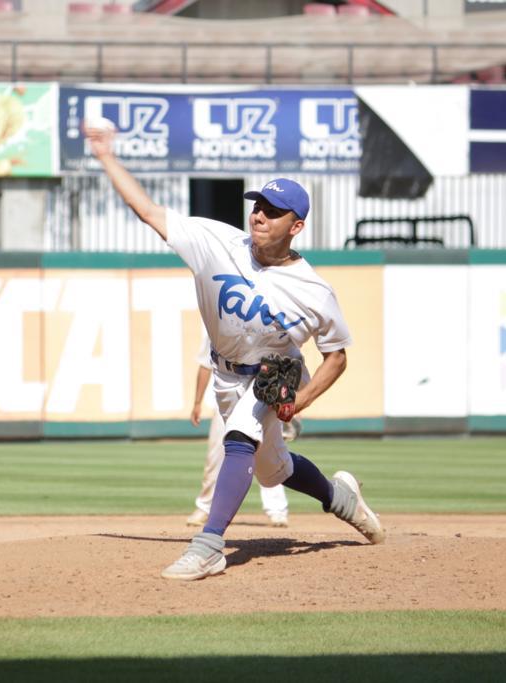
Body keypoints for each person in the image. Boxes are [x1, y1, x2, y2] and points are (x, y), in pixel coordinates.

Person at [84, 120, 385, 581]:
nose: (259, 215)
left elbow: (337, 355)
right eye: (258, 205)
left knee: (239, 437)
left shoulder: (314, 291)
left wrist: (298, 402)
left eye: (274, 210)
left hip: (272, 376)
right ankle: (340, 496)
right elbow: (147, 210)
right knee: (273, 471)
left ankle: (208, 546)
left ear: (296, 226)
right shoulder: (216, 243)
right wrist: (105, 155)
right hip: (226, 375)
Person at [189, 334, 292, 528]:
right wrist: (197, 402)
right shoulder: (214, 322)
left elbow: (285, 358)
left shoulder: (263, 316)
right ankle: (204, 506)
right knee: (215, 454)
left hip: (260, 393)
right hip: (226, 394)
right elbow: (205, 363)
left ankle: (277, 509)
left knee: (267, 452)